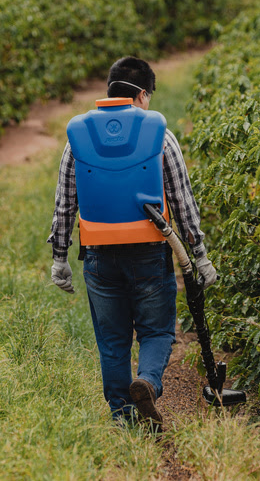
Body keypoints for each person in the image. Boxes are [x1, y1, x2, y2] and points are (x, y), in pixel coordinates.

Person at [47, 56, 217, 430]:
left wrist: (60, 257)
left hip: (98, 257)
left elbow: (65, 203)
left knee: (112, 340)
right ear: (142, 94)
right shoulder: (161, 135)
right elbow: (183, 201)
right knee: (157, 331)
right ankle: (149, 384)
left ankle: (122, 417)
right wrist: (200, 256)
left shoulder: (77, 137)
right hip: (150, 251)